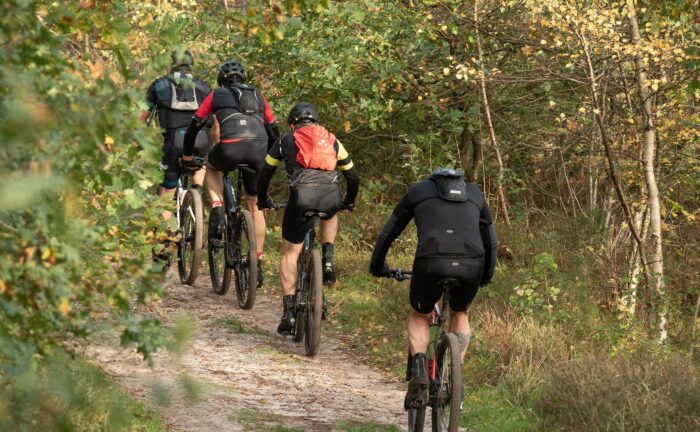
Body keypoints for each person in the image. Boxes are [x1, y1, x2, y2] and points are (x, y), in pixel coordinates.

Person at [369, 168, 497, 408]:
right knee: (460, 312)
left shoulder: (419, 192)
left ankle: (419, 373)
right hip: (472, 263)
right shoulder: (475, 194)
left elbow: (389, 232)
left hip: (431, 261)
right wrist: (486, 275)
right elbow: (491, 240)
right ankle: (452, 377)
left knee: (419, 313)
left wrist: (377, 266)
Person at [257, 102, 360, 335]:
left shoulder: (285, 140)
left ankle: (289, 311)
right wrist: (349, 202)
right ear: (316, 121)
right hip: (329, 196)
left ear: (293, 124)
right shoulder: (331, 139)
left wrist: (263, 200)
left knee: (289, 253)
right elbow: (353, 176)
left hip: (300, 199)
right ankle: (327, 258)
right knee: (331, 211)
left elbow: (264, 175)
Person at [181, 60, 279, 288]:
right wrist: (272, 161)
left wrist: (187, 157)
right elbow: (274, 131)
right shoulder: (258, 95)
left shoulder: (217, 95)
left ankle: (216, 206)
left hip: (229, 147)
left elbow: (195, 125)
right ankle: (257, 263)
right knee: (255, 206)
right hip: (259, 150)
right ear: (243, 78)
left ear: (221, 80)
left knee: (211, 166)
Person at [139, 49, 214, 261]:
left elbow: (142, 117)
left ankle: (163, 250)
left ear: (170, 65)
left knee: (166, 194)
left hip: (173, 142)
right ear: (191, 65)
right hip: (201, 140)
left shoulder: (159, 85)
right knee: (201, 163)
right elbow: (214, 120)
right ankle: (196, 193)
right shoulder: (204, 86)